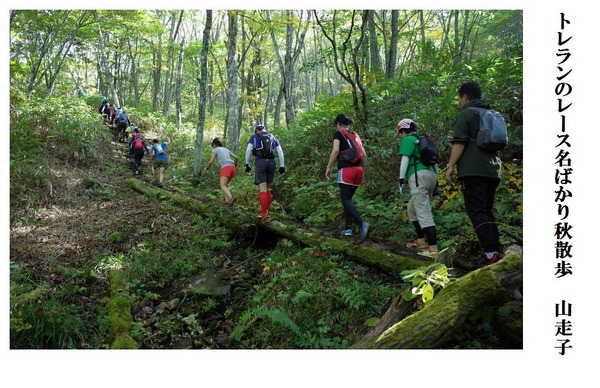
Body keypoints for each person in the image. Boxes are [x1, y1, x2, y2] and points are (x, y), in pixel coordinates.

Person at [445, 81, 502, 266]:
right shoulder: (492, 113)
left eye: (459, 98)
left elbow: (459, 142)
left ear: (465, 97)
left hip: (473, 170)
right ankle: (495, 250)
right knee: (486, 210)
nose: (459, 102)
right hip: (493, 170)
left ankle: (490, 253)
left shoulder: (467, 113)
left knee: (476, 211)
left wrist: (450, 166)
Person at [395, 118, 439, 256]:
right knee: (412, 208)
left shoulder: (408, 140)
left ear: (403, 130)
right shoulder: (423, 141)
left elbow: (405, 159)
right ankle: (421, 241)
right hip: (431, 176)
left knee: (423, 211)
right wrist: (436, 183)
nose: (400, 136)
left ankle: (433, 249)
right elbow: (435, 163)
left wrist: (401, 180)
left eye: (399, 133)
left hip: (418, 177)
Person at [325, 114, 369, 242]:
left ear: (338, 124)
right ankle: (348, 229)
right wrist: (363, 171)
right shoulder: (355, 135)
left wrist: (328, 167)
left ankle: (362, 224)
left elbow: (336, 150)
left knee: (345, 199)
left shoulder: (339, 134)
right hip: (358, 171)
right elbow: (364, 154)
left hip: (346, 170)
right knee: (348, 199)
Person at [245, 125, 285, 219]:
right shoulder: (273, 137)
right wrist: (282, 166)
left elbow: (248, 150)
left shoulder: (254, 137)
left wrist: (247, 164)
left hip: (260, 162)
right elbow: (280, 152)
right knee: (267, 188)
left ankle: (263, 213)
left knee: (262, 188)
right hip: (271, 163)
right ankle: (267, 211)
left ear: (257, 131)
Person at [205, 138, 239, 205]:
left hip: (226, 167)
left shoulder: (215, 150)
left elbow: (211, 161)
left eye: (213, 145)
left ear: (214, 144)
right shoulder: (226, 149)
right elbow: (237, 158)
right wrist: (234, 166)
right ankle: (227, 202)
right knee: (225, 185)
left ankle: (231, 198)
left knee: (222, 185)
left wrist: (207, 168)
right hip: (232, 168)